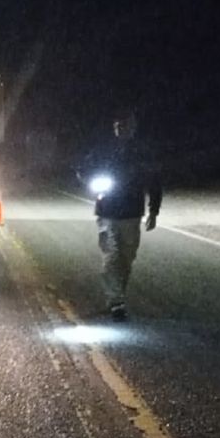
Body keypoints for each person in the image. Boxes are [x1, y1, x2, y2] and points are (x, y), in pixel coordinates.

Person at [86, 112, 162, 321]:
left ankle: (117, 295)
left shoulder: (141, 152)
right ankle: (116, 301)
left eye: (126, 126)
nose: (122, 129)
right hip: (107, 213)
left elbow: (154, 181)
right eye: (118, 126)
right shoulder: (103, 151)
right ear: (114, 127)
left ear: (133, 128)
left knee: (126, 258)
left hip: (131, 213)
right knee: (112, 255)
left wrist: (154, 211)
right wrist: (91, 183)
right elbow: (86, 168)